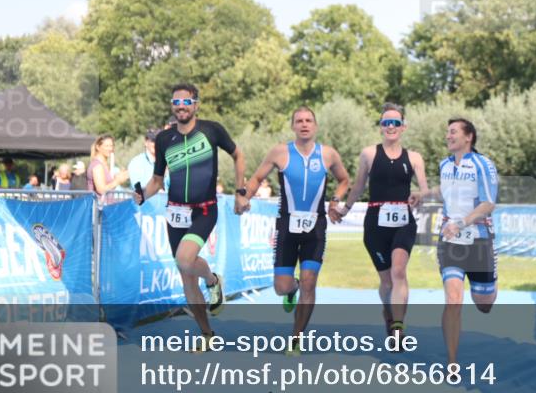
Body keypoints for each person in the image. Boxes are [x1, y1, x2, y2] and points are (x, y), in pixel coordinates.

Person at [135, 83, 245, 343]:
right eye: (177, 102)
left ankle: (212, 279)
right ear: (172, 106)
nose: (181, 107)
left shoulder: (211, 130)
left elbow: (238, 155)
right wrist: (142, 195)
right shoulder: (164, 139)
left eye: (187, 102)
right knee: (186, 276)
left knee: (185, 260)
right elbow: (157, 181)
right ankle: (206, 334)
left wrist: (240, 190)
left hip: (204, 211)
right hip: (175, 213)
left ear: (196, 104)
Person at [235, 106, 349, 355]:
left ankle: (296, 339)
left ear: (316, 126)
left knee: (311, 282)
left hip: (315, 226)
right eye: (299, 121)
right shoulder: (280, 152)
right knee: (281, 287)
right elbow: (255, 179)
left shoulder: (328, 154)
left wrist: (335, 200)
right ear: (293, 126)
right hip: (287, 225)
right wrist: (245, 197)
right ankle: (292, 288)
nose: (304, 124)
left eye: (309, 120)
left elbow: (344, 180)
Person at [338, 103, 429, 343]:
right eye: (386, 122)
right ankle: (389, 313)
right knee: (386, 281)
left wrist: (420, 195)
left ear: (403, 127)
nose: (391, 126)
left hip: (403, 221)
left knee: (399, 271)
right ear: (381, 127)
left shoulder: (415, 157)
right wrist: (345, 209)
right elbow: (358, 186)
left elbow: (425, 189)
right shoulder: (369, 154)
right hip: (376, 223)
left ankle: (398, 327)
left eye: (395, 123)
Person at [411, 118, 498, 364]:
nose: (448, 136)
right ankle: (452, 361)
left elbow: (489, 203)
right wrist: (423, 194)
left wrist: (462, 223)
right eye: (447, 132)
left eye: (453, 132)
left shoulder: (483, 165)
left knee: (484, 303)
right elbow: (444, 190)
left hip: (479, 240)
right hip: (450, 240)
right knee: (453, 299)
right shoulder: (445, 164)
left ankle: (491, 281)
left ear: (468, 137)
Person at [87, 135, 130, 203]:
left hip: (106, 207)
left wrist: (119, 177)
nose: (110, 148)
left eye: (111, 146)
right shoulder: (97, 166)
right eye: (107, 146)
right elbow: (101, 190)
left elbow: (109, 186)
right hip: (98, 208)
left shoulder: (104, 165)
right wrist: (117, 181)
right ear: (98, 147)